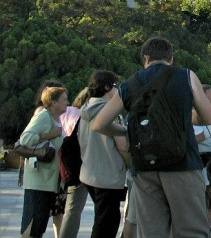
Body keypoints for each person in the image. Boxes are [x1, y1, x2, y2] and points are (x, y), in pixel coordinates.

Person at [92, 36, 211, 238]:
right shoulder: (186, 76)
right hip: (182, 162)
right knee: (191, 228)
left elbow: (99, 124)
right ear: (171, 59)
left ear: (145, 58)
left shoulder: (130, 83)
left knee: (151, 230)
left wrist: (124, 131)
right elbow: (208, 117)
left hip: (144, 164)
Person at [78, 70, 130, 238]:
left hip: (89, 173)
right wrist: (132, 164)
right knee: (107, 223)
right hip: (107, 174)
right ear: (107, 87)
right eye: (116, 86)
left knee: (101, 219)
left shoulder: (86, 109)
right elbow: (122, 146)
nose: (118, 90)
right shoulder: (109, 111)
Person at [19, 86, 69, 238]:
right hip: (38, 180)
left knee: (39, 224)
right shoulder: (43, 116)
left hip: (47, 180)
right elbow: (25, 139)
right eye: (64, 99)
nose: (68, 102)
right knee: (33, 223)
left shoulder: (54, 118)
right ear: (53, 103)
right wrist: (49, 135)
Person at [58, 87, 91, 238]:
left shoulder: (66, 112)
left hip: (60, 164)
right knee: (73, 210)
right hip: (77, 167)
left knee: (62, 210)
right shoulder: (83, 116)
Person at [195, 84, 211, 235]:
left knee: (210, 201)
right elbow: (197, 137)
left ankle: (207, 230)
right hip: (200, 163)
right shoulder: (194, 115)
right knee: (201, 202)